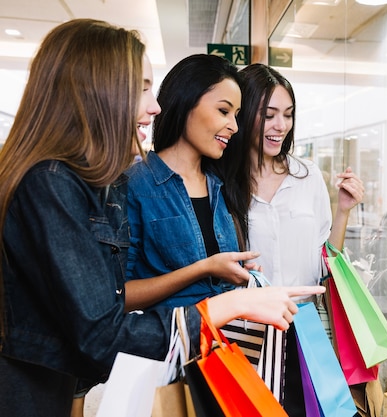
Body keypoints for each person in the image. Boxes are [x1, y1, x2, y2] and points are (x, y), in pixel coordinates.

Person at [0, 19, 323, 417]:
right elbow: (103, 329)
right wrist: (229, 304)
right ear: (98, 90)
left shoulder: (215, 186)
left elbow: (92, 309)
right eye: (141, 89)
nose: (154, 106)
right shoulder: (56, 184)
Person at [220, 63, 364, 416]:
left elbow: (323, 261)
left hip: (304, 326)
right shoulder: (222, 180)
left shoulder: (307, 175)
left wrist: (343, 211)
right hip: (246, 330)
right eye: (268, 115)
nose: (280, 126)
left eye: (287, 115)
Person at [124, 53, 261, 311]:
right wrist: (203, 269)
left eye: (236, 115)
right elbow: (119, 296)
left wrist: (239, 274)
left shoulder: (220, 186)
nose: (234, 126)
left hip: (223, 345)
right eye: (223, 111)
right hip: (169, 346)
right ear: (186, 101)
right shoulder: (135, 185)